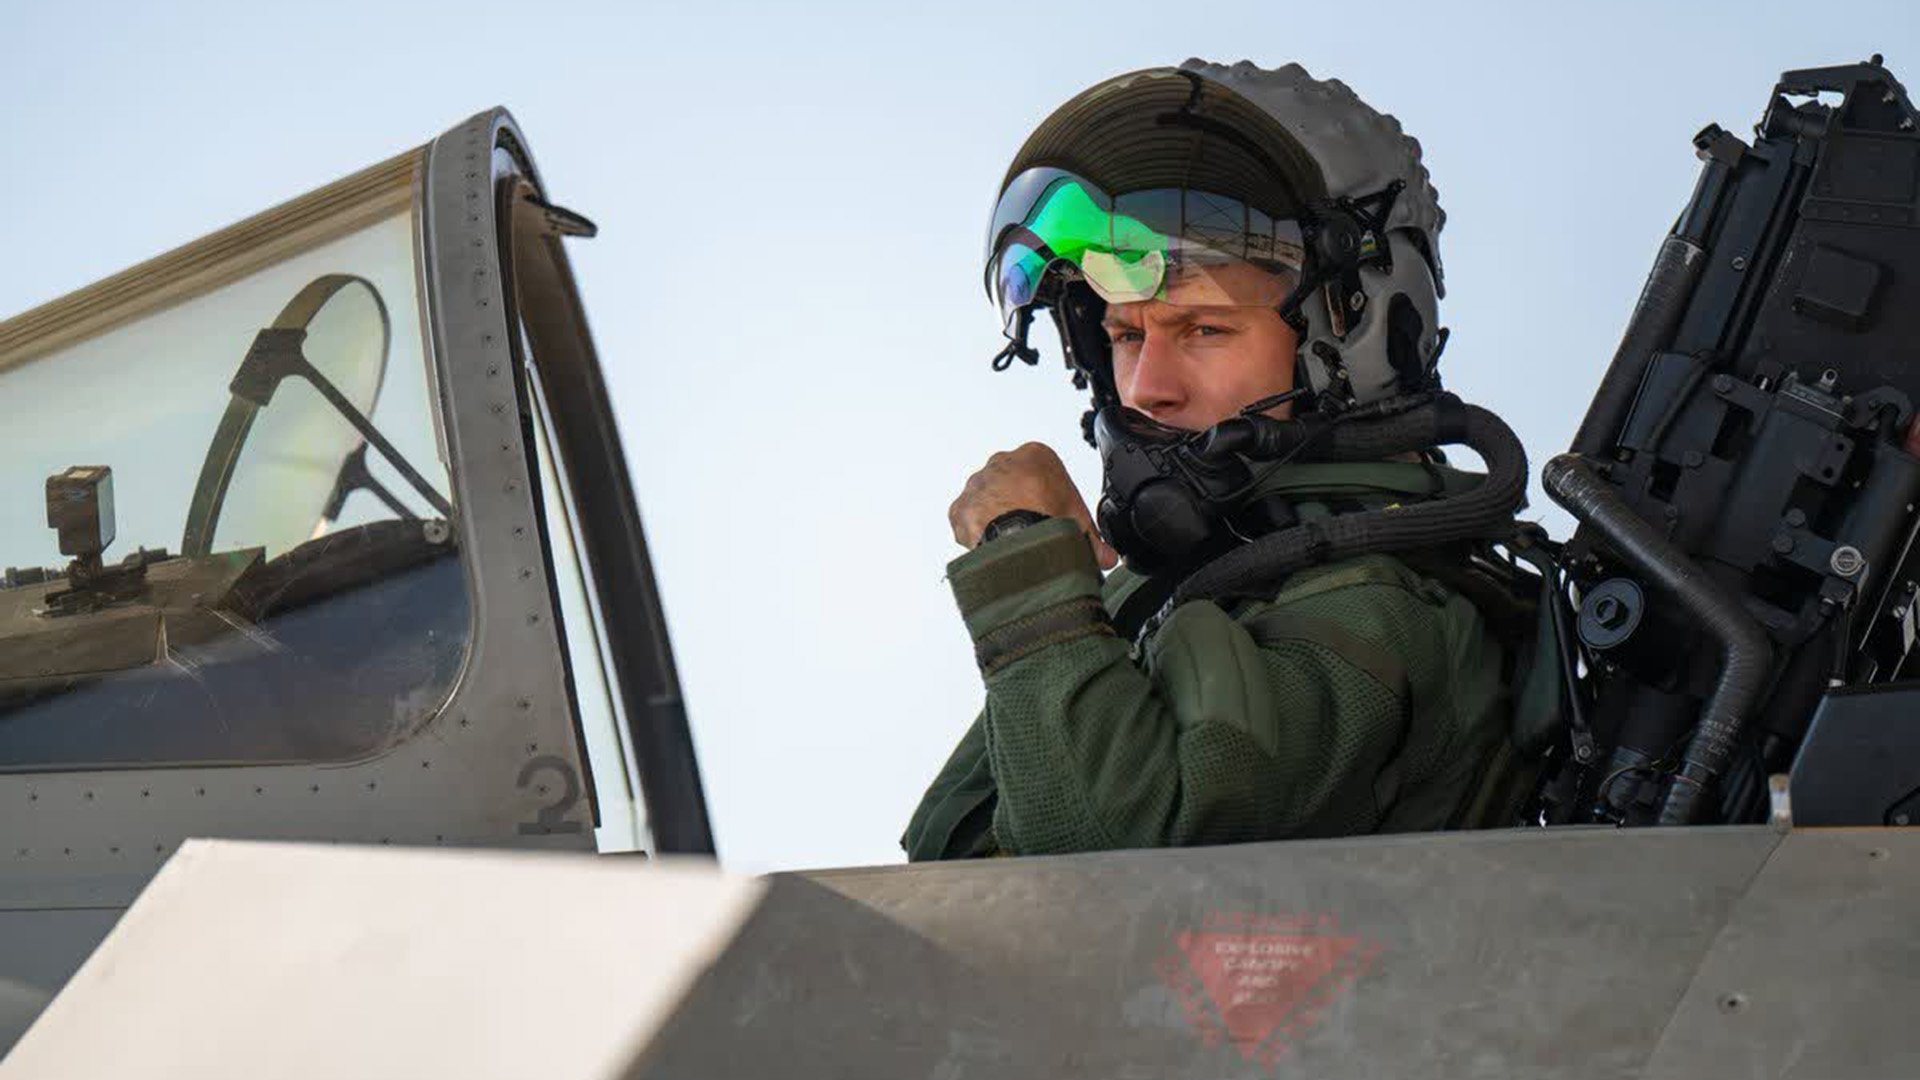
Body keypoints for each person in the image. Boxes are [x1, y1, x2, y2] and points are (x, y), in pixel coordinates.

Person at [902, 60, 1536, 861]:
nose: (1144, 391)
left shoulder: (1384, 602)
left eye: (1204, 329)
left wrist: (1029, 579)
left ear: (1353, 338)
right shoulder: (1162, 590)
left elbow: (1108, 874)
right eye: (1127, 337)